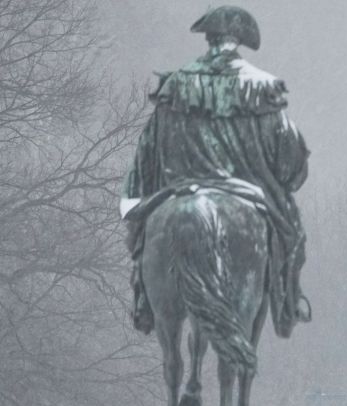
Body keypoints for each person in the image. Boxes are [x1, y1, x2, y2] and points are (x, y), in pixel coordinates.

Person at [123, 5, 311, 338]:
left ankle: (142, 298)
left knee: (141, 233)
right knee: (293, 233)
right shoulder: (263, 86)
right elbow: (290, 157)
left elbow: (147, 150)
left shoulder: (175, 84)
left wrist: (135, 197)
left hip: (178, 188)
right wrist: (285, 180)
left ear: (208, 39)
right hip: (247, 190)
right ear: (240, 40)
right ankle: (290, 302)